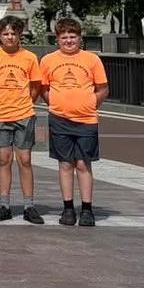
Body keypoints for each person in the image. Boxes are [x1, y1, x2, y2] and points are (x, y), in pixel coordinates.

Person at [40, 17, 107, 227]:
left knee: (82, 163)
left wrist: (89, 103)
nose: (69, 41)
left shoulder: (92, 60)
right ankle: (68, 207)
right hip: (60, 118)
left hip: (86, 119)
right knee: (65, 163)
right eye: (64, 37)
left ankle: (86, 208)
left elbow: (103, 88)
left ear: (80, 38)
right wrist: (57, 104)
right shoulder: (48, 61)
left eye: (72, 37)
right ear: (57, 39)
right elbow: (44, 88)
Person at [0, 15, 44, 223]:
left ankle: (29, 205)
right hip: (0, 113)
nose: (10, 37)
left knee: (25, 160)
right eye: (6, 33)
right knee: (4, 159)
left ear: (20, 35)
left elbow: (36, 85)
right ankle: (4, 204)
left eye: (13, 33)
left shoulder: (29, 58)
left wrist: (27, 101)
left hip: (23, 114)